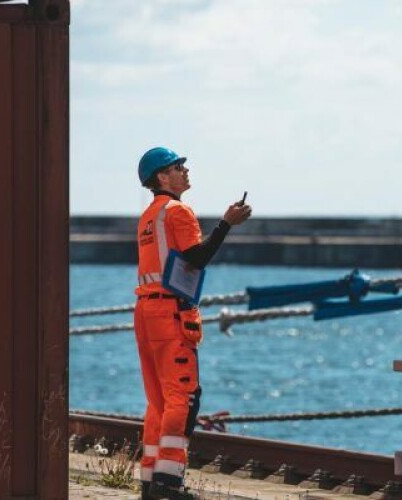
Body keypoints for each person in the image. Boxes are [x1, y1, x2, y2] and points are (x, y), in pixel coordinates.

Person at [133, 146, 252, 499]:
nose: (185, 170)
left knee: (157, 401)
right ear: (161, 177)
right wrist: (226, 224)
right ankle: (169, 484)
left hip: (145, 312)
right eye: (177, 166)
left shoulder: (148, 216)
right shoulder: (178, 211)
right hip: (171, 314)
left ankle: (150, 481)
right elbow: (197, 258)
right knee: (181, 398)